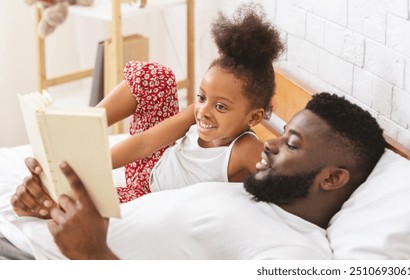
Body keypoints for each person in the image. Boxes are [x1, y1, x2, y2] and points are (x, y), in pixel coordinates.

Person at [2, 92, 387, 259]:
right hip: (27, 239)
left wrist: (91, 255)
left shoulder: (294, 252)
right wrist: (52, 210)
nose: (270, 145)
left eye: (292, 144)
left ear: (333, 179)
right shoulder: (252, 195)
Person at [12, 5, 285, 215]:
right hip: (152, 164)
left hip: (150, 198)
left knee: (75, 204)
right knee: (153, 75)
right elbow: (145, 142)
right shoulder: (198, 112)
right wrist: (91, 164)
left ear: (255, 117)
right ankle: (83, 128)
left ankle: (46, 200)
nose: (203, 111)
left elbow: (288, 186)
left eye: (221, 106)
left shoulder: (246, 149)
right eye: (202, 96)